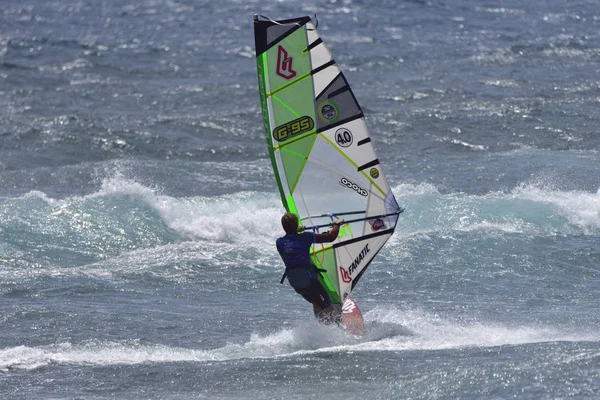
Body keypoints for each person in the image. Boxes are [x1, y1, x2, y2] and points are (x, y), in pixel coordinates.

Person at [276, 211, 344, 324]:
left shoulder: (280, 242)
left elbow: (291, 240)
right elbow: (330, 237)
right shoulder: (305, 237)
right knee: (327, 305)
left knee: (316, 302)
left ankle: (323, 329)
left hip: (295, 282)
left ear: (283, 227)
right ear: (296, 224)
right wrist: (336, 224)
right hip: (308, 280)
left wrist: (296, 231)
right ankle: (337, 330)